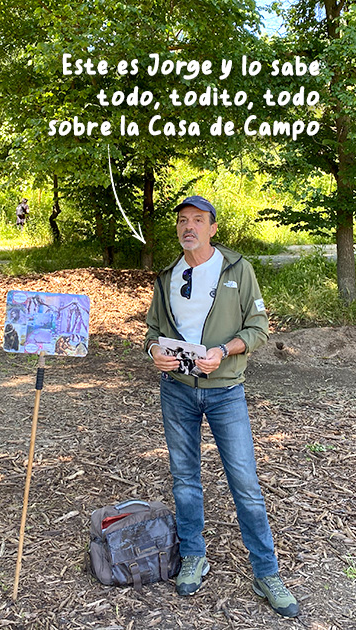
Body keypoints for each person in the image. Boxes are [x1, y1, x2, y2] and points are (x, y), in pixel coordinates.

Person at [145, 195, 298, 618]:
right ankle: (194, 555)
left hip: (226, 390)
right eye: (182, 221)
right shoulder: (166, 277)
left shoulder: (237, 270)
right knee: (185, 479)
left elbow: (259, 327)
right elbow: (153, 330)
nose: (188, 226)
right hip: (176, 390)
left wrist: (225, 350)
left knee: (245, 484)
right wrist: (155, 350)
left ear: (213, 229)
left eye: (197, 220)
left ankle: (266, 572)